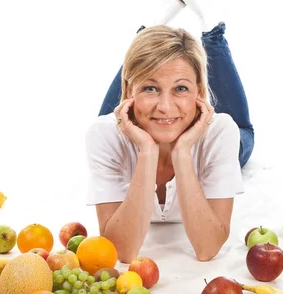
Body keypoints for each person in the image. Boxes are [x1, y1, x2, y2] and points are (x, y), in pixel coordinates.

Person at [85, 0, 254, 263]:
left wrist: (183, 152)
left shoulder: (221, 133)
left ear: (200, 92)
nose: (165, 108)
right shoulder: (106, 135)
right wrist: (147, 152)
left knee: (242, 130)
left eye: (182, 88)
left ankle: (213, 32)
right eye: (150, 89)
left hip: (205, 132)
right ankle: (149, 37)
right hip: (133, 122)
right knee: (116, 107)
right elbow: (123, 252)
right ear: (130, 93)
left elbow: (207, 249)